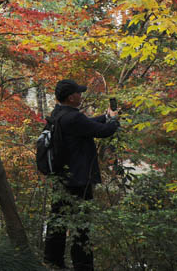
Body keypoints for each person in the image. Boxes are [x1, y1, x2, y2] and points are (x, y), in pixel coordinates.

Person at [44, 79, 120, 271]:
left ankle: (52, 261)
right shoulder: (74, 118)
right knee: (82, 225)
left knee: (58, 220)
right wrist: (113, 120)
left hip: (62, 177)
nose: (81, 95)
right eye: (78, 93)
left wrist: (104, 115)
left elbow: (87, 124)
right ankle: (83, 266)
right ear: (71, 97)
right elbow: (103, 132)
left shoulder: (58, 114)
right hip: (78, 180)